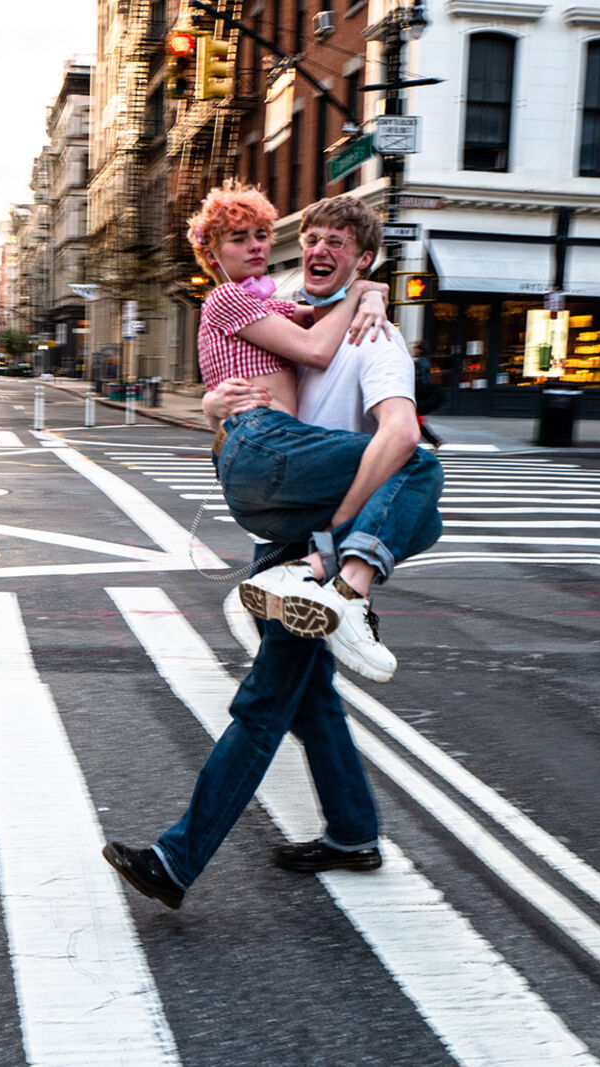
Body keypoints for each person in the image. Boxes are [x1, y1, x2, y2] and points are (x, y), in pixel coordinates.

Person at [102, 193, 443, 910]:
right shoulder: (292, 312)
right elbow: (249, 355)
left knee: (265, 705)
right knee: (310, 699)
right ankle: (353, 832)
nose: (317, 251)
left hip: (313, 548)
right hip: (280, 535)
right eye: (312, 238)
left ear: (364, 260)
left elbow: (402, 437)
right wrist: (212, 405)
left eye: (339, 245)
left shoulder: (375, 338)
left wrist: (338, 542)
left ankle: (176, 860)